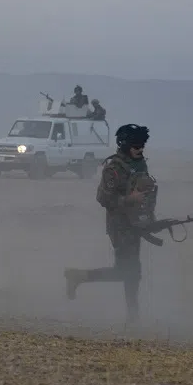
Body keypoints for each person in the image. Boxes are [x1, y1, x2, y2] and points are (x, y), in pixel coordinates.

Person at [63, 123, 155, 319]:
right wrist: (130, 199)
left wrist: (149, 217)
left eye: (142, 145)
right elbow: (104, 199)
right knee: (128, 271)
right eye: (136, 145)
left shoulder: (139, 165)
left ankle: (132, 314)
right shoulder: (114, 168)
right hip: (120, 226)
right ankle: (80, 277)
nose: (140, 149)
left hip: (136, 223)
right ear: (125, 144)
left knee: (131, 271)